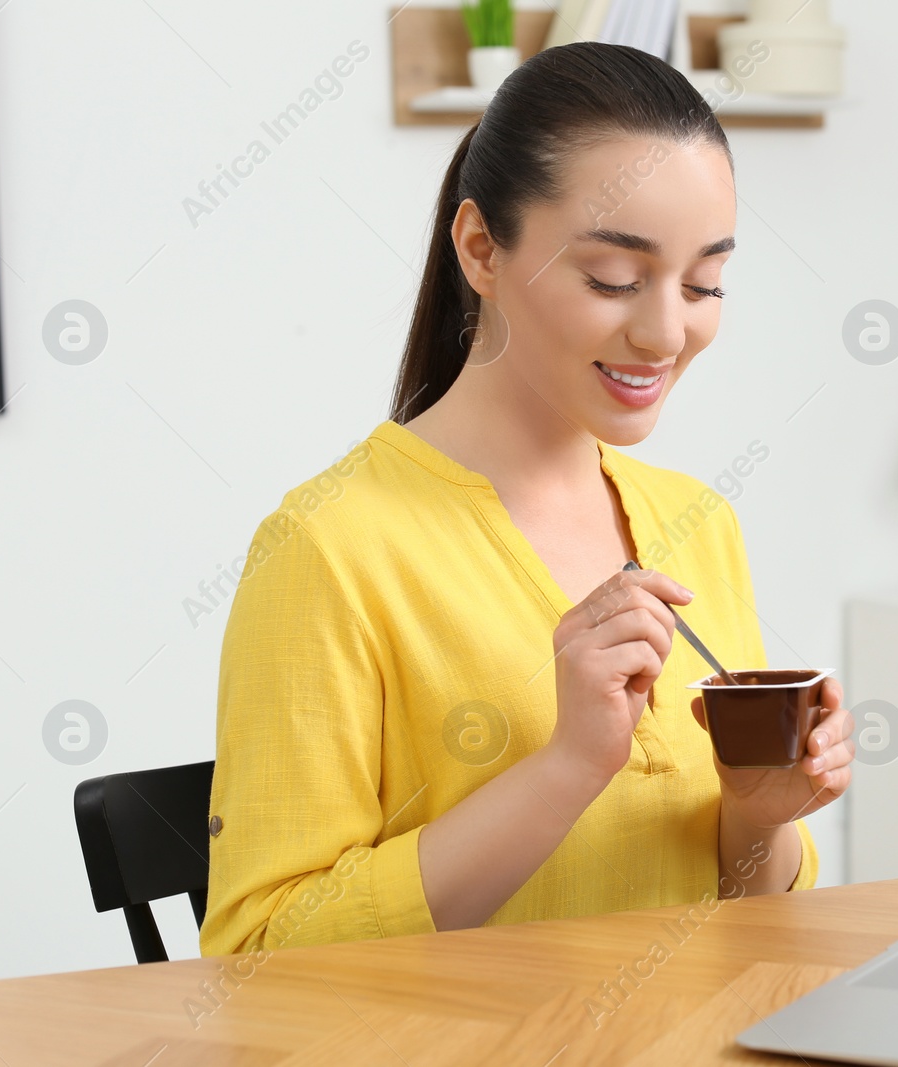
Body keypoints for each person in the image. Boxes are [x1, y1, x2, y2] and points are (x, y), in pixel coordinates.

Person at [199, 41, 854, 956]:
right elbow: (259, 960)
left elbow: (750, 926)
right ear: (481, 248)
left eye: (705, 282)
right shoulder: (327, 548)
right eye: (614, 279)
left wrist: (758, 818)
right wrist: (568, 767)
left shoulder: (700, 524)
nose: (667, 330)